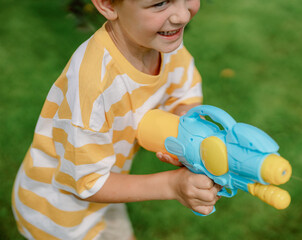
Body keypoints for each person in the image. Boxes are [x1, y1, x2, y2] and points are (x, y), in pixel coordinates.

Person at [12, 0, 221, 239]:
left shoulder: (164, 45)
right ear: (108, 4)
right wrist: (172, 185)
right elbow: (88, 182)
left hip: (109, 184)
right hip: (60, 217)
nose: (183, 15)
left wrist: (186, 131)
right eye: (160, 3)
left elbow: (184, 92)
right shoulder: (93, 86)